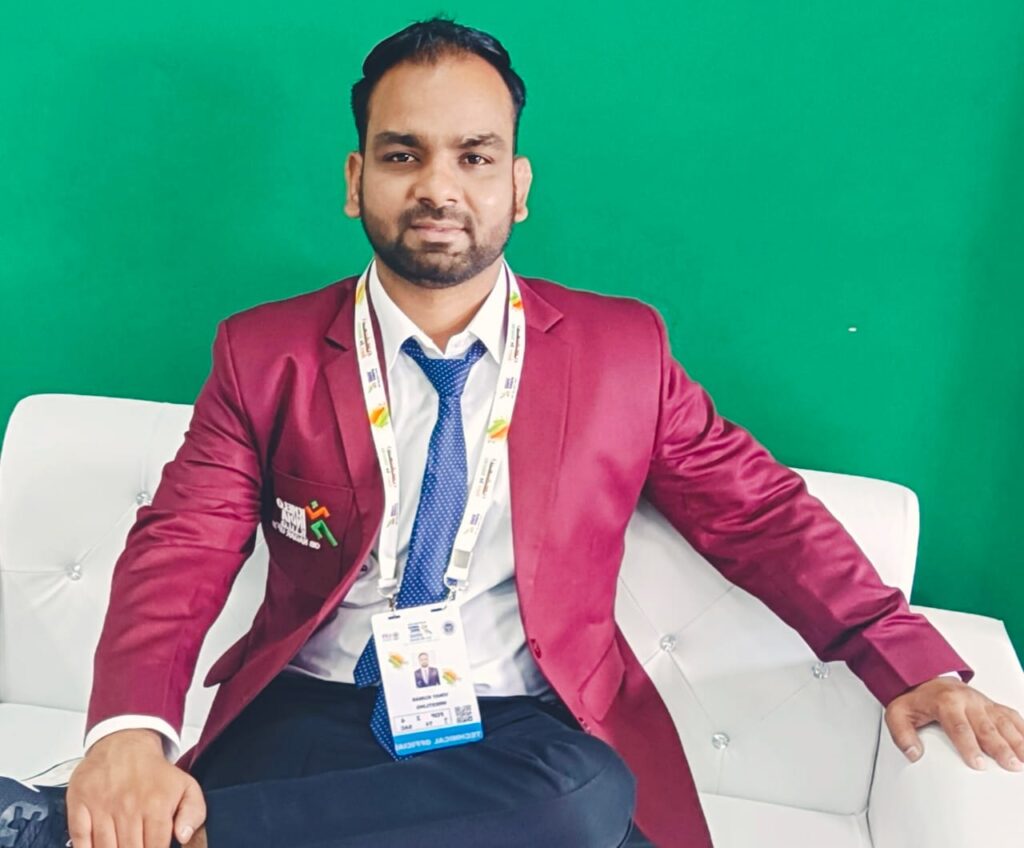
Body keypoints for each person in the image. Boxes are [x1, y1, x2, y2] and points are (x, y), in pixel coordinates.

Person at [2, 15, 1023, 848]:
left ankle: (81, 833)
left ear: (517, 188)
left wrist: (908, 660)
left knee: (581, 795)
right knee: (565, 813)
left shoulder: (624, 351)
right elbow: (182, 541)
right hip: (313, 706)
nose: (438, 187)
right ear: (356, 180)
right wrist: (128, 730)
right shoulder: (262, 352)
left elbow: (759, 513)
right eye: (403, 154)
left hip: (526, 727)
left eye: (473, 156)